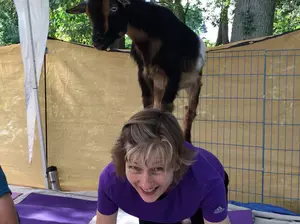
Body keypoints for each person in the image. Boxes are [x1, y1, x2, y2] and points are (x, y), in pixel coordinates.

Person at [96, 108, 230, 224]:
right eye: (135, 168)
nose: (145, 184)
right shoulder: (111, 181)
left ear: (177, 163)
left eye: (157, 169)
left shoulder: (206, 181)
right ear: (124, 161)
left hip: (197, 189)